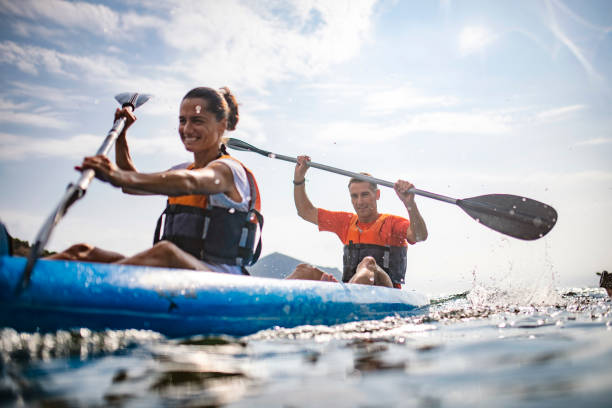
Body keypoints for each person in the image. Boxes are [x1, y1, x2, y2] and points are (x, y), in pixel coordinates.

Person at [46, 87, 263, 275]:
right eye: (182, 120)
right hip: (177, 273)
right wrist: (122, 138)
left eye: (197, 120)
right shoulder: (181, 169)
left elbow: (190, 182)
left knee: (165, 252)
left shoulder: (229, 170)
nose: (187, 129)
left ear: (221, 125)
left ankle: (86, 289)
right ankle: (19, 279)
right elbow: (130, 185)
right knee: (83, 252)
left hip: (220, 280)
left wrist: (117, 174)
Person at [286, 156, 427, 288]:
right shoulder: (345, 222)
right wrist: (299, 178)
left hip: (386, 292)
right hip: (351, 290)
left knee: (368, 263)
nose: (359, 202)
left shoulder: (392, 223)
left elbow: (420, 236)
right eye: (354, 196)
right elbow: (305, 211)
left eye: (365, 195)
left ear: (377, 195)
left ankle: (347, 295)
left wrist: (410, 204)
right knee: (303, 270)